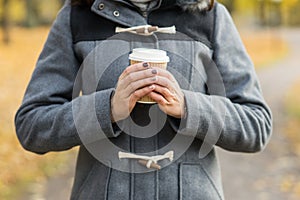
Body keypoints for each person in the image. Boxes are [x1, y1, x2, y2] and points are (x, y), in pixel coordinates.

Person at [15, 0, 272, 199]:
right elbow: (32, 126)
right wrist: (107, 109)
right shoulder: (76, 17)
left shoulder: (210, 16)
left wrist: (187, 107)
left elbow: (256, 125)